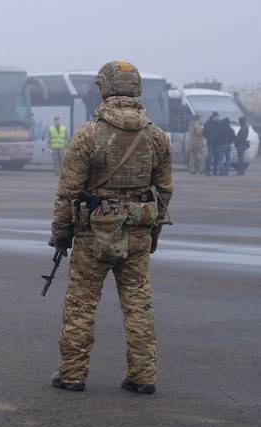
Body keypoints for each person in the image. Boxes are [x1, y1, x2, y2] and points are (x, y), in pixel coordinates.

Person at [49, 61, 173, 394]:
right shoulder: (156, 136)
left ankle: (73, 374)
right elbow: (164, 192)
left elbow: (68, 193)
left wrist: (61, 237)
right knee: (138, 305)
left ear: (105, 89)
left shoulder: (89, 135)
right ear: (137, 90)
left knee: (81, 305)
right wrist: (154, 233)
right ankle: (143, 376)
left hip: (94, 235)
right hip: (137, 232)